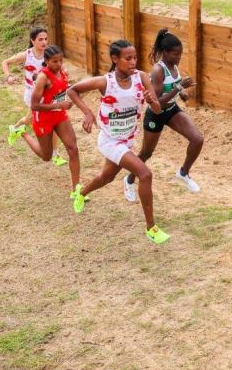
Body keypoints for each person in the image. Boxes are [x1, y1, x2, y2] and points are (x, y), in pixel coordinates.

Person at [67, 40, 169, 244]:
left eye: (135, 58)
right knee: (145, 174)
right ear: (115, 59)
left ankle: (81, 192)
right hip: (110, 140)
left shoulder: (141, 77)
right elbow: (72, 90)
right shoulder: (105, 82)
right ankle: (151, 228)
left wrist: (153, 101)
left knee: (106, 177)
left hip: (128, 139)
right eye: (128, 58)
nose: (133, 62)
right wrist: (87, 112)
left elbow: (158, 110)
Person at [124, 29, 203, 201]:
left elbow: (173, 88)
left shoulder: (173, 65)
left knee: (197, 139)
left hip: (172, 111)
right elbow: (157, 102)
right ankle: (129, 180)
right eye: (175, 54)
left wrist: (181, 94)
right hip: (156, 115)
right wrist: (179, 88)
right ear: (165, 53)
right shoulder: (158, 71)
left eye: (180, 53)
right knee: (146, 154)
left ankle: (183, 173)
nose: (179, 57)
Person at [3, 27, 67, 166]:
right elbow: (5, 62)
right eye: (40, 39)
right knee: (40, 120)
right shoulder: (26, 55)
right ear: (32, 41)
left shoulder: (50, 54)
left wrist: (63, 72)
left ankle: (15, 129)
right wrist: (9, 76)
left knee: (38, 119)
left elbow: (60, 68)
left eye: (46, 39)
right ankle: (17, 130)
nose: (44, 42)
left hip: (49, 95)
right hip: (33, 96)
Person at [30, 45, 82, 197]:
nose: (59, 65)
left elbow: (61, 91)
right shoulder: (43, 78)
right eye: (54, 62)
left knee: (73, 148)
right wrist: (59, 104)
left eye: (61, 60)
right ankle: (22, 134)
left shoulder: (62, 71)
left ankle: (76, 190)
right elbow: (34, 105)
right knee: (47, 157)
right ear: (46, 61)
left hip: (59, 115)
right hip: (43, 118)